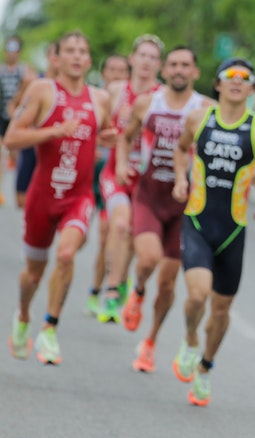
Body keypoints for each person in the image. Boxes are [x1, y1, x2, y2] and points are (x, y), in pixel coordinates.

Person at [170, 57, 255, 406]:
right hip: (198, 220)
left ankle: (205, 366)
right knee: (197, 295)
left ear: (252, 88)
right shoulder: (198, 118)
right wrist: (180, 179)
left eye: (245, 77)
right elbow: (180, 149)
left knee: (220, 310)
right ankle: (190, 339)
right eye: (229, 75)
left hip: (233, 230)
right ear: (217, 84)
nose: (237, 81)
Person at [6, 31, 115, 364]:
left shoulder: (100, 99)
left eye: (82, 51)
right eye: (70, 50)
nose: (77, 56)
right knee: (33, 274)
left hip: (78, 197)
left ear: (89, 59)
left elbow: (105, 134)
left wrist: (109, 139)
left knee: (66, 255)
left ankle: (50, 328)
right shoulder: (43, 90)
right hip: (42, 196)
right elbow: (11, 138)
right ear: (56, 58)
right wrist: (53, 131)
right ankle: (23, 315)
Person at [116, 45, 214, 372]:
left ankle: (151, 341)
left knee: (169, 283)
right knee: (147, 259)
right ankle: (137, 290)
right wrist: (121, 165)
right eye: (173, 64)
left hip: (185, 206)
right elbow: (125, 137)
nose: (179, 70)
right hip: (149, 196)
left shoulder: (206, 109)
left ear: (195, 72)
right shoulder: (148, 103)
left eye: (185, 65)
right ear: (165, 70)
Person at [93, 35, 164, 322]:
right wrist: (104, 140)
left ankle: (121, 280)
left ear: (159, 65)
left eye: (153, 57)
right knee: (119, 224)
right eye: (142, 55)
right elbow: (97, 127)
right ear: (132, 59)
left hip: (147, 179)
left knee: (134, 233)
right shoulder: (115, 91)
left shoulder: (162, 97)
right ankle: (111, 291)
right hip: (116, 172)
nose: (146, 62)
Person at [85, 53, 130, 319]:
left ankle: (105, 288)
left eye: (122, 71)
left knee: (110, 233)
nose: (116, 75)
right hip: (90, 176)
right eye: (112, 70)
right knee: (96, 238)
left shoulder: (133, 103)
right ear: (103, 74)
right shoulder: (95, 100)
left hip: (115, 177)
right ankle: (99, 286)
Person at [11, 41, 58, 209]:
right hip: (31, 147)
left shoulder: (71, 88)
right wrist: (22, 124)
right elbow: (13, 107)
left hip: (56, 150)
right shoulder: (34, 81)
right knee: (21, 200)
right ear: (48, 56)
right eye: (54, 53)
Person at [0, 35, 37, 206]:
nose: (11, 53)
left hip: (18, 117)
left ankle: (22, 186)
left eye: (14, 49)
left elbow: (32, 91)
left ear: (19, 51)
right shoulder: (1, 70)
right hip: (2, 116)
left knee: (17, 154)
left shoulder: (25, 71)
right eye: (9, 48)